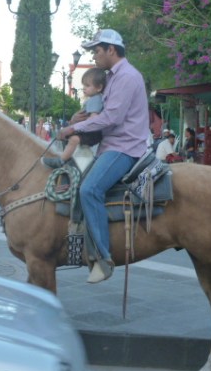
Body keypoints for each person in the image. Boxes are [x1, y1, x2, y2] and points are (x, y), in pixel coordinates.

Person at [56, 29, 150, 284]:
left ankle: (102, 258)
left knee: (89, 190)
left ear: (111, 50)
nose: (95, 56)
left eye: (97, 51)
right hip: (110, 145)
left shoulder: (127, 77)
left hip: (125, 147)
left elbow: (112, 118)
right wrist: (80, 119)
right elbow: (100, 115)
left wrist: (73, 128)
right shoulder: (112, 77)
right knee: (72, 180)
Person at [43, 68, 106, 169]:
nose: (84, 88)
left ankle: (61, 160)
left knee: (73, 139)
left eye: (87, 86)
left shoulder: (95, 99)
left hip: (92, 132)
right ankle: (67, 158)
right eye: (84, 85)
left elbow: (94, 118)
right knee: (69, 138)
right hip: (90, 131)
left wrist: (77, 127)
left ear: (98, 87)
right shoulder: (92, 99)